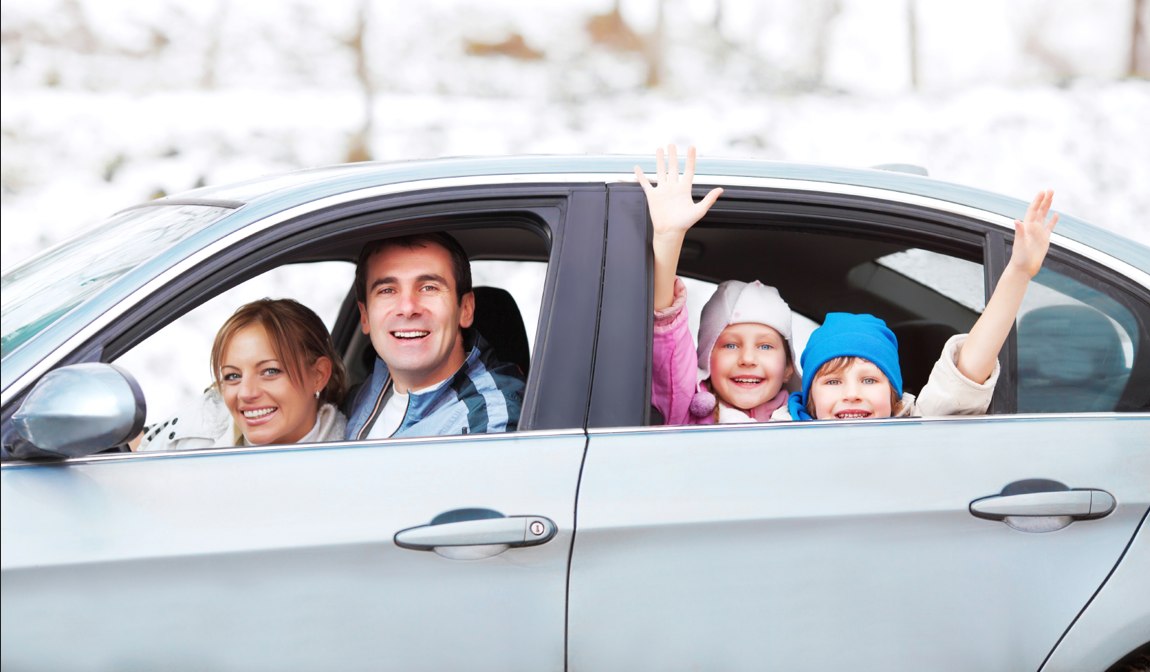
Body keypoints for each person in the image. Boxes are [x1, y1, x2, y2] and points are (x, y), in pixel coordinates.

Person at [778, 189, 1059, 421]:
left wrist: (1018, 273)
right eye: (833, 382)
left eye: (869, 381)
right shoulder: (770, 434)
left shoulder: (917, 429)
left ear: (894, 397)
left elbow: (965, 374)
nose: (852, 394)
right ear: (810, 399)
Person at [636, 144, 798, 424]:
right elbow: (668, 340)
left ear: (787, 367)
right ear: (706, 360)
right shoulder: (689, 411)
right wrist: (668, 237)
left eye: (766, 347)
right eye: (730, 346)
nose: (748, 358)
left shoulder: (810, 418)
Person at [344, 232, 525, 439]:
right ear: (365, 316)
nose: (407, 308)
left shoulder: (484, 424)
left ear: (465, 309)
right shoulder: (367, 391)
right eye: (387, 290)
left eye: (429, 287)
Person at [136, 298, 348, 450]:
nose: (246, 393)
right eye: (232, 376)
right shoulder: (198, 432)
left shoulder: (356, 453)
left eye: (270, 371)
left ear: (318, 375)